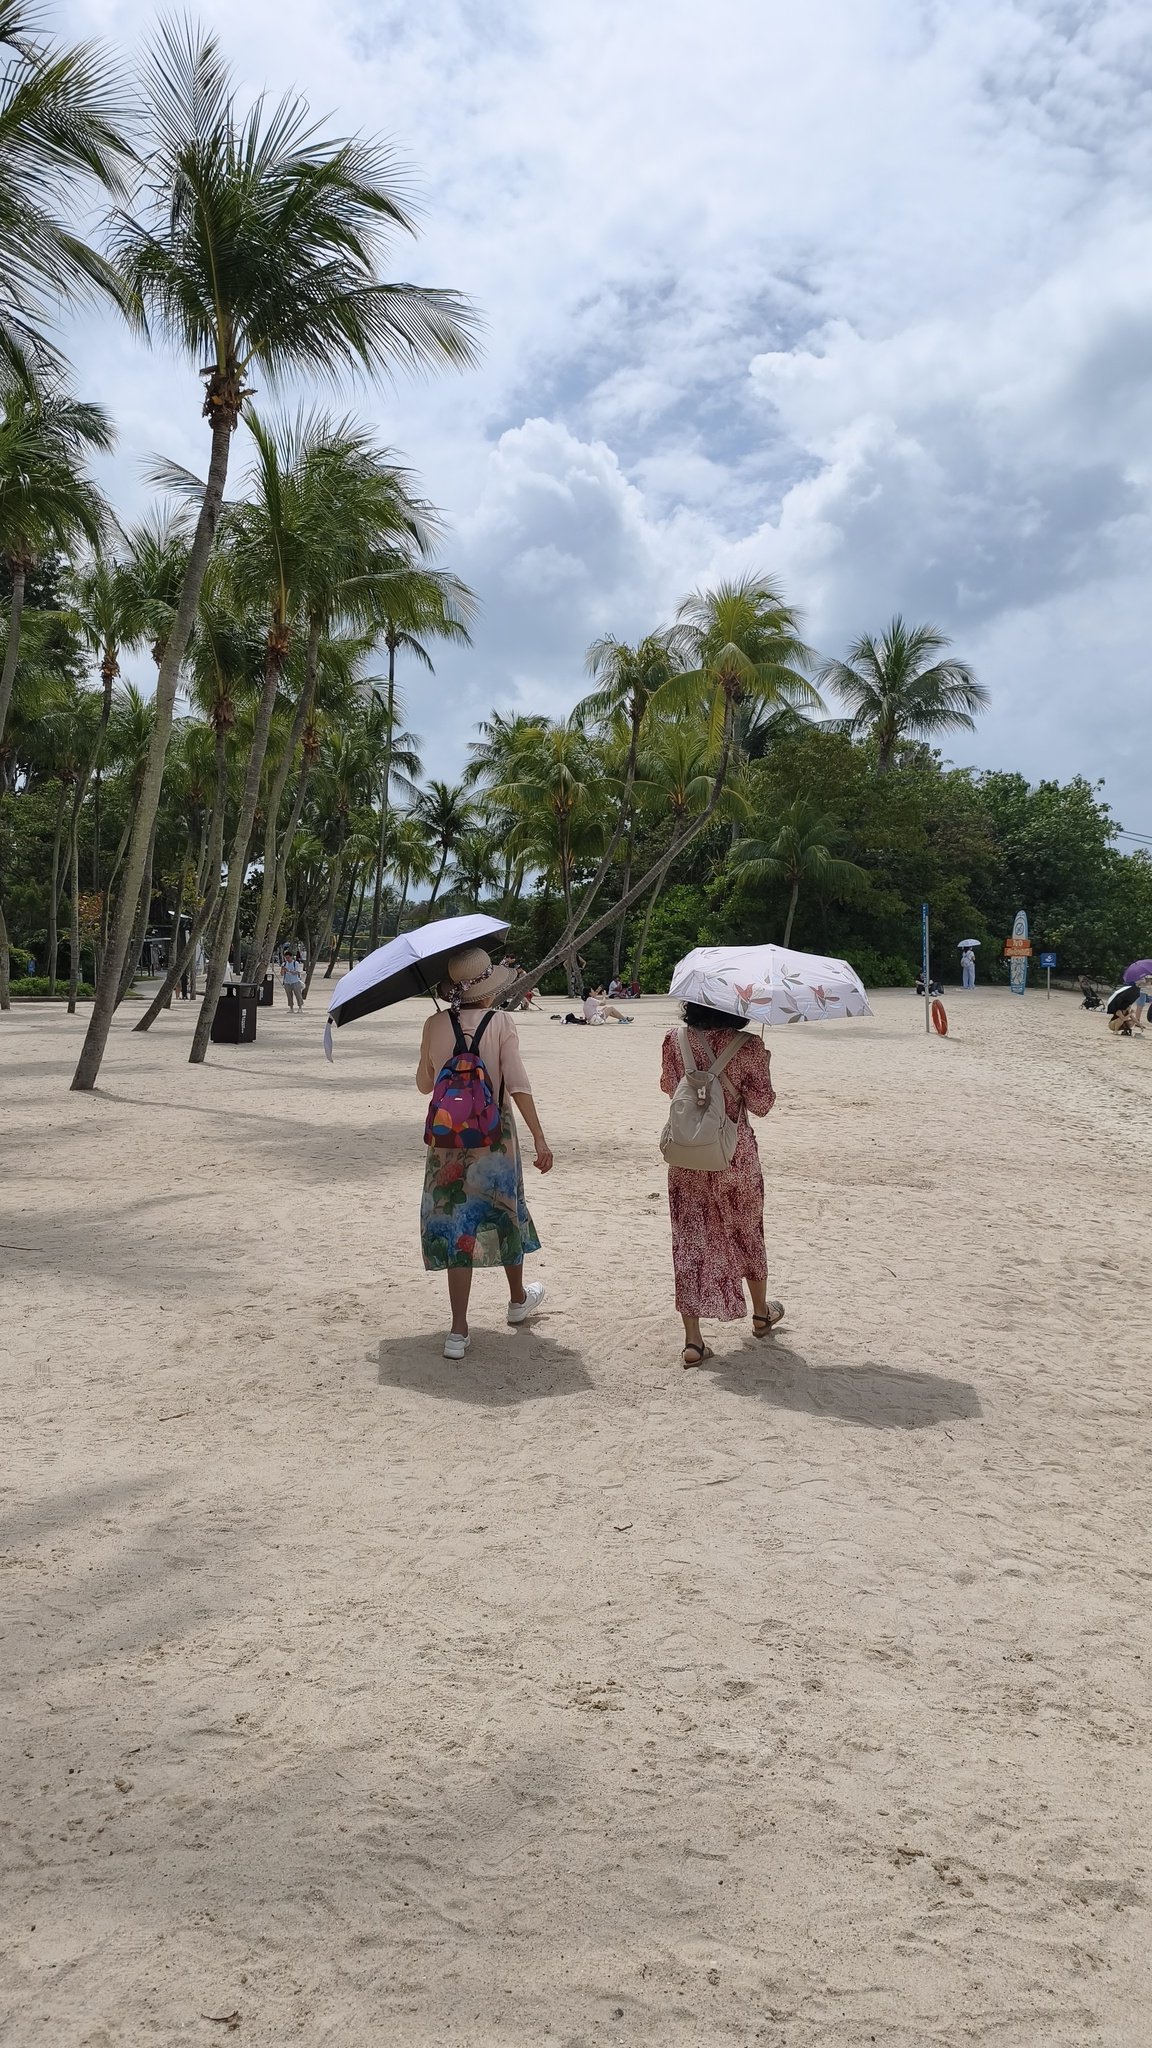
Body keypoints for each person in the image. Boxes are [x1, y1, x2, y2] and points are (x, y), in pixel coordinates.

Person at [417, 947, 553, 1359]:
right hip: (496, 1137)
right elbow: (518, 1084)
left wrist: (435, 1046)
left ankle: (458, 1331)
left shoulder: (434, 1023)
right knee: (506, 1209)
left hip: (449, 1140)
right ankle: (516, 1301)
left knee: (457, 1217)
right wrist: (540, 1139)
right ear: (489, 989)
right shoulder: (502, 1022)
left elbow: (425, 1085)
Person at [660, 1001, 783, 1369]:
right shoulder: (747, 1046)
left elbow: (670, 1087)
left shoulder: (674, 1039)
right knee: (747, 1232)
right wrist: (761, 1061)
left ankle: (693, 1341)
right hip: (734, 1155)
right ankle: (761, 1313)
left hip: (688, 1155)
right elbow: (762, 1104)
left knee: (690, 1239)